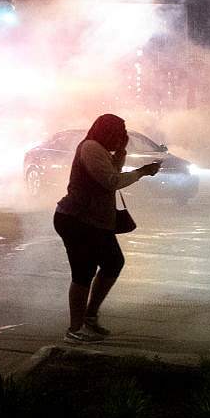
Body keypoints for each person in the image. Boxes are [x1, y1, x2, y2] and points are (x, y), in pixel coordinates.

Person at [53, 113, 162, 343]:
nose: (121, 137)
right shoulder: (90, 147)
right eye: (118, 133)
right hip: (78, 220)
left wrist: (121, 153)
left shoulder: (100, 149)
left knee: (113, 262)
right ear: (106, 131)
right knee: (83, 274)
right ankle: (75, 329)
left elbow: (111, 173)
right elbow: (111, 182)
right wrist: (141, 172)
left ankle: (90, 317)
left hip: (94, 221)